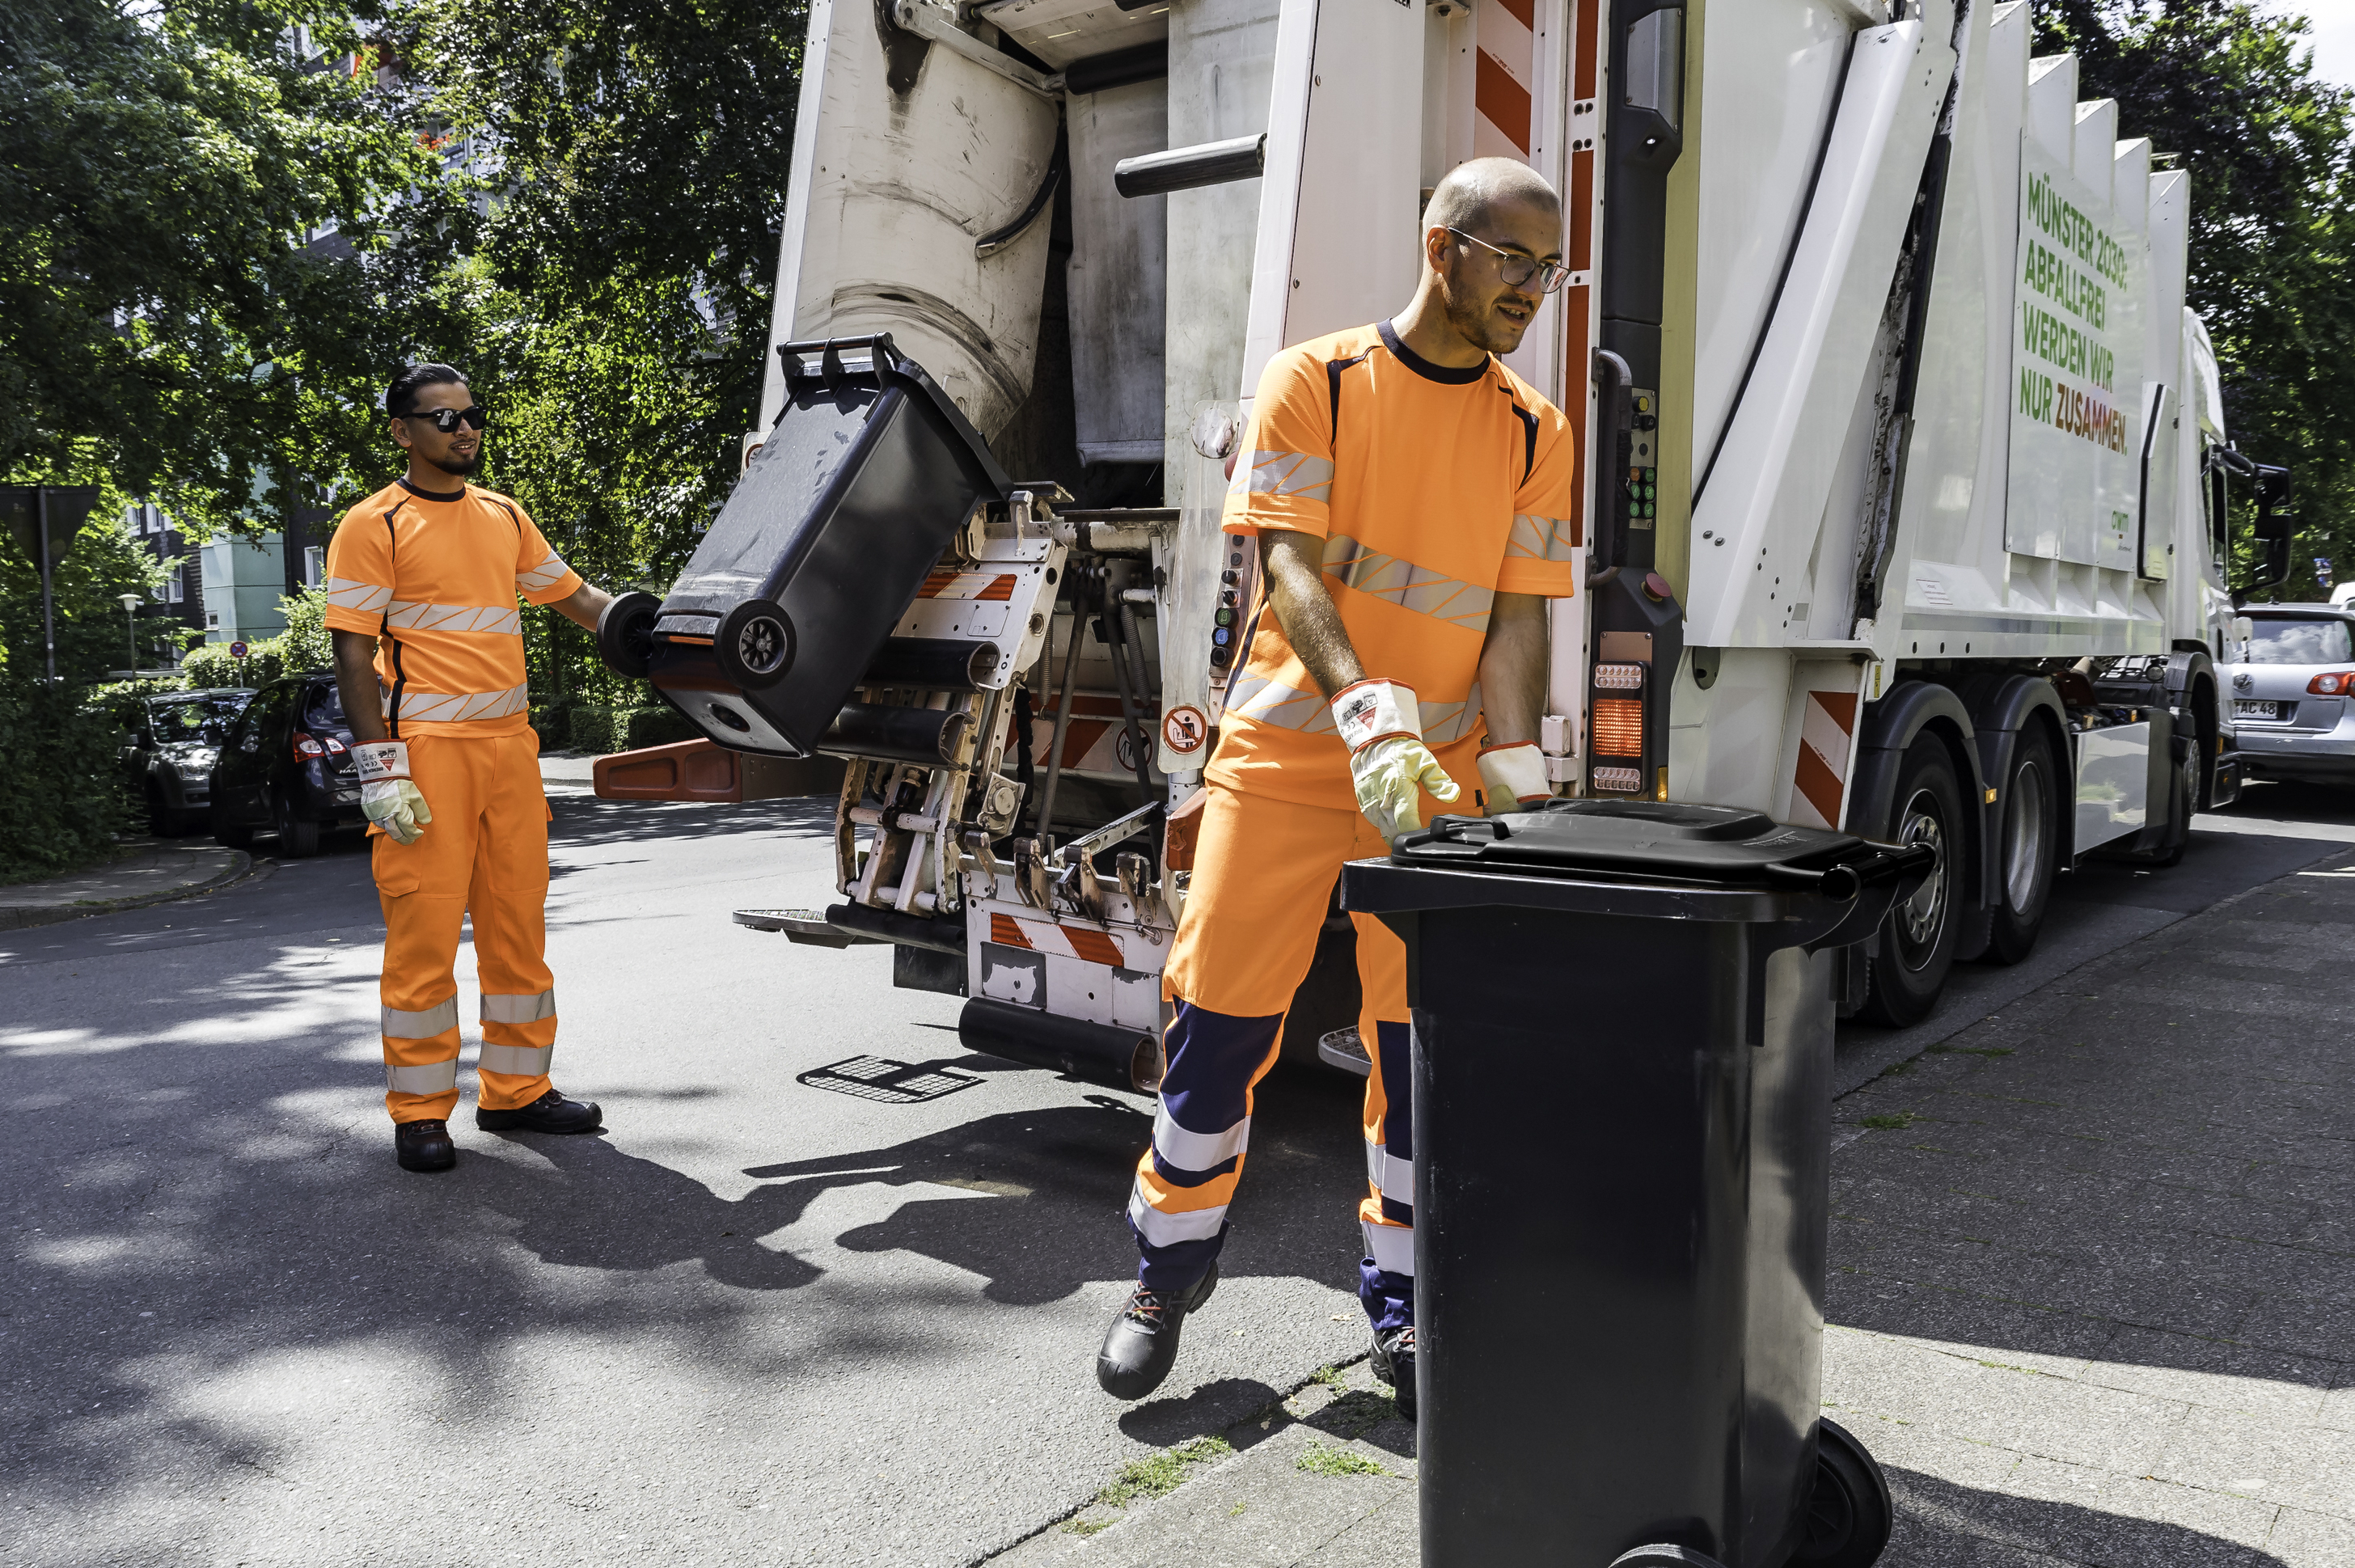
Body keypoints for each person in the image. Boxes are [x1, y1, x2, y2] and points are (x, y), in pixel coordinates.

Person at [1097, 159, 1581, 1413]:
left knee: (1419, 1050)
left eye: (1552, 264)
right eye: (1517, 258)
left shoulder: (1537, 426)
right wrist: (1369, 716)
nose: (1538, 285)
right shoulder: (1315, 379)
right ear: (1445, 247)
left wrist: (1518, 777)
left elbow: (1520, 619)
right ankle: (1166, 1270)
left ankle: (1406, 1306)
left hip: (1437, 788)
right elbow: (1289, 569)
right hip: (1289, 756)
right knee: (1217, 1021)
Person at [323, 364, 620, 1173]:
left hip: (510, 753)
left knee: (517, 928)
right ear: (402, 432)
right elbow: (352, 651)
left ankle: (517, 1092)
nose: (463, 429)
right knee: (422, 936)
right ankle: (420, 1112)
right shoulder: (373, 524)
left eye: (471, 415)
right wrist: (380, 771)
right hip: (427, 758)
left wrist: (659, 628)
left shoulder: (504, 516)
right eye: (442, 416)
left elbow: (580, 600)